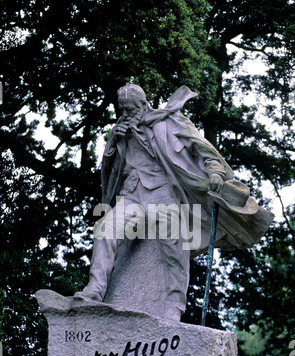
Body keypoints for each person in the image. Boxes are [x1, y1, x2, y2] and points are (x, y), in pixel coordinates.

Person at [74, 84, 274, 319]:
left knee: (174, 247)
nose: (127, 113)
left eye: (131, 108)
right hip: (131, 194)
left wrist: (216, 172)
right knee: (106, 230)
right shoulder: (119, 131)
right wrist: (113, 146)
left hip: (162, 194)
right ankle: (95, 290)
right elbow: (110, 173)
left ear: (143, 103)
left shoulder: (168, 121)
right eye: (123, 109)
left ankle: (174, 304)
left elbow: (203, 149)